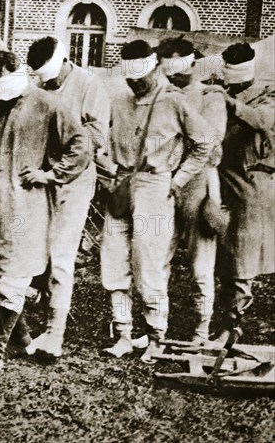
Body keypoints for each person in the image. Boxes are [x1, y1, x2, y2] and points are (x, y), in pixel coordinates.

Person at [0, 51, 90, 377]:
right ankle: (21, 335)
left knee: (14, 274)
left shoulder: (47, 104)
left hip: (27, 205)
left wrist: (51, 174)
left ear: (21, 74)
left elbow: (80, 143)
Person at [100, 41, 213, 361]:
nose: (135, 82)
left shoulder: (173, 102)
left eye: (141, 76)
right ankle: (122, 333)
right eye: (129, 76)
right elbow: (102, 135)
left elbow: (203, 143)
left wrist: (177, 180)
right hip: (121, 183)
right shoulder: (119, 100)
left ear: (153, 68)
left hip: (155, 186)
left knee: (149, 266)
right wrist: (108, 169)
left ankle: (155, 338)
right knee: (114, 262)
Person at [25, 37, 110, 360]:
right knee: (37, 253)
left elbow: (97, 137)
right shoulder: (41, 87)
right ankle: (40, 322)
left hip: (74, 181)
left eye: (53, 78)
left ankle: (55, 334)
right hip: (41, 180)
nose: (51, 85)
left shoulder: (89, 84)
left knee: (61, 257)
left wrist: (62, 146)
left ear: (64, 62)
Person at [156, 37, 228, 344]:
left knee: (201, 266)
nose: (173, 74)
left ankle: (201, 329)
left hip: (198, 186)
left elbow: (209, 146)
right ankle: (156, 327)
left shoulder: (210, 97)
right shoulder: (162, 95)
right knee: (159, 259)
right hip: (165, 185)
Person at [215, 42, 275, 341]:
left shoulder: (267, 97)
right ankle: (221, 320)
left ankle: (232, 326)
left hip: (250, 187)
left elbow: (262, 120)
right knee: (222, 260)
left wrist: (230, 104)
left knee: (241, 261)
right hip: (220, 184)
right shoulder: (219, 93)